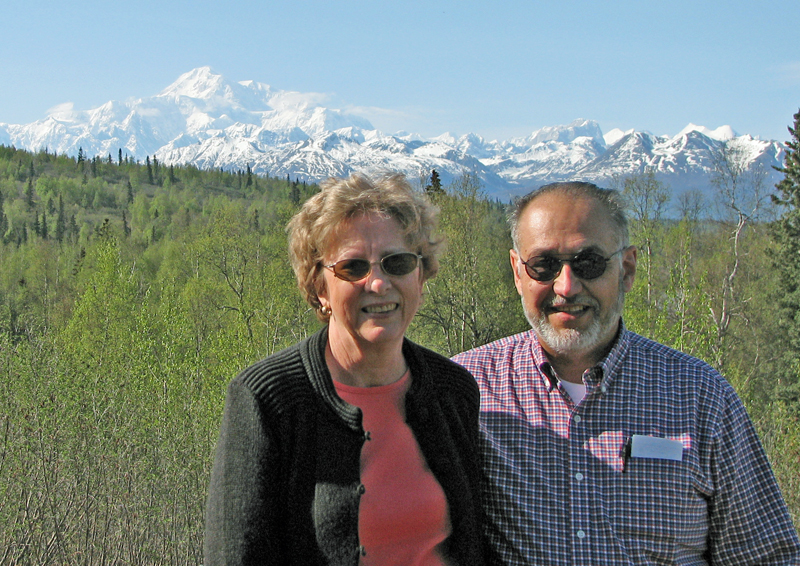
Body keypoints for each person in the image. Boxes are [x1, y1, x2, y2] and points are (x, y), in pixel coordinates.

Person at [453, 181, 800, 565]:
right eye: (544, 265)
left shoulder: (702, 397)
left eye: (589, 263)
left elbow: (765, 556)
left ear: (627, 269)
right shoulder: (467, 390)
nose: (566, 286)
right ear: (518, 272)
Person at [204, 172, 486, 565]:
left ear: (421, 276)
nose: (378, 283)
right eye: (353, 267)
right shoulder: (270, 398)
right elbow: (235, 554)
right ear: (320, 287)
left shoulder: (453, 391)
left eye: (398, 262)